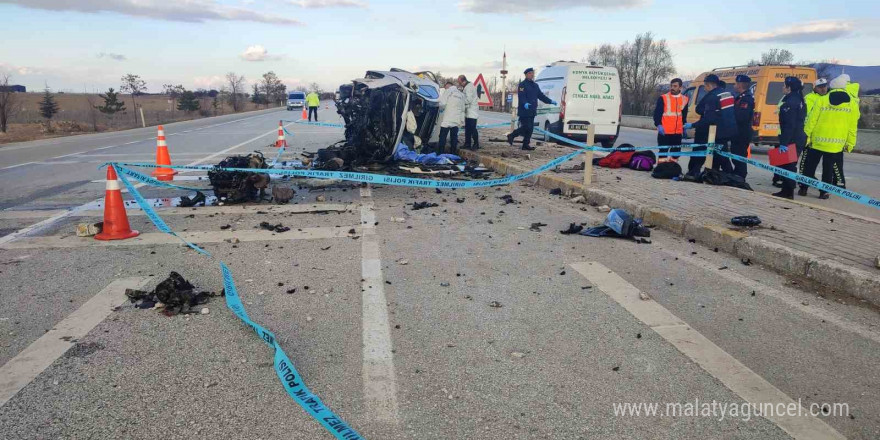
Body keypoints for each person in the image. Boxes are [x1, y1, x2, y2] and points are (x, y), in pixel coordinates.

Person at [802, 74, 859, 199]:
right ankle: (824, 192)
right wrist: (850, 144)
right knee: (827, 170)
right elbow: (852, 127)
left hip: (817, 141)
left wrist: (806, 137)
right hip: (836, 144)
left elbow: (812, 120)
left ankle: (803, 189)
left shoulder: (822, 100)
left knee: (810, 166)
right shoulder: (852, 104)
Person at [682, 74, 737, 178]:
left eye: (705, 86)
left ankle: (694, 172)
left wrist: (693, 125)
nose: (705, 89)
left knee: (701, 151)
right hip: (726, 131)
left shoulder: (712, 97)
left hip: (713, 130)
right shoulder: (728, 94)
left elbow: (709, 118)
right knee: (722, 154)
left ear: (709, 85)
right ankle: (728, 174)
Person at [773, 76, 807, 199]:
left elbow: (789, 125)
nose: (782, 87)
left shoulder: (791, 102)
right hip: (794, 137)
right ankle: (785, 190)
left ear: (789, 87)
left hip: (792, 138)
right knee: (786, 165)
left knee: (789, 166)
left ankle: (788, 192)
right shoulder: (797, 99)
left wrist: (784, 143)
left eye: (784, 85)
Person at [507, 67, 556, 150]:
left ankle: (525, 145)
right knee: (526, 127)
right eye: (529, 73)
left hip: (532, 110)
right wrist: (525, 103)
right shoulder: (522, 85)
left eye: (532, 73)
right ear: (526, 75)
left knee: (530, 129)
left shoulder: (535, 85)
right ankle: (512, 135)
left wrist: (550, 101)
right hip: (524, 110)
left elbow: (541, 96)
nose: (531, 74)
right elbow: (521, 96)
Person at [798, 77, 828, 191]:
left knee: (814, 164)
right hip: (810, 135)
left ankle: (808, 180)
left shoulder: (828, 98)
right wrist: (807, 135)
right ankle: (802, 183)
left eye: (824, 86)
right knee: (806, 162)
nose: (823, 89)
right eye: (820, 87)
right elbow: (807, 118)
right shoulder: (809, 98)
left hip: (822, 136)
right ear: (815, 88)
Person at [653, 78, 689, 163]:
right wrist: (658, 125)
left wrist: (684, 127)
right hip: (665, 131)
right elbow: (657, 113)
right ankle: (661, 169)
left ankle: (672, 168)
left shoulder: (685, 99)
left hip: (677, 132)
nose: (672, 88)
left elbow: (684, 115)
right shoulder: (663, 98)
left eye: (675, 86)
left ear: (680, 88)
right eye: (671, 86)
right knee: (663, 153)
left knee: (676, 153)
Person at [731, 74, 755, 179]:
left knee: (739, 156)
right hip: (737, 132)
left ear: (740, 84)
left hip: (742, 132)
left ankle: (740, 177)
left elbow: (742, 117)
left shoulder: (746, 99)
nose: (734, 85)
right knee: (735, 155)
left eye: (736, 83)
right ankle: (737, 175)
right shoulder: (740, 97)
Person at [437, 81, 465, 154]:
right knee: (454, 138)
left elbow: (442, 103)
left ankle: (440, 153)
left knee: (442, 137)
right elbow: (462, 109)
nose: (445, 89)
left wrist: (439, 109)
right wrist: (461, 121)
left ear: (448, 86)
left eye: (445, 87)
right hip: (456, 120)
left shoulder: (448, 91)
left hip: (447, 119)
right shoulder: (461, 95)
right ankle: (453, 153)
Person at [458, 75, 480, 150]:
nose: (459, 83)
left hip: (472, 112)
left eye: (459, 82)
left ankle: (476, 144)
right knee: (467, 129)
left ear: (462, 81)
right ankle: (467, 144)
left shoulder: (469, 87)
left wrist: (460, 102)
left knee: (472, 129)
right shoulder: (467, 87)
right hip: (468, 112)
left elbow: (468, 100)